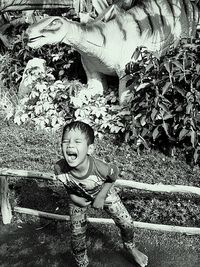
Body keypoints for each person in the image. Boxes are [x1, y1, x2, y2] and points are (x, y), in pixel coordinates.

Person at [54, 121, 148, 267]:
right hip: (77, 198)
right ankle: (82, 264)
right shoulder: (59, 168)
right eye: (65, 141)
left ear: (90, 148)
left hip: (103, 191)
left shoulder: (100, 168)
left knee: (127, 223)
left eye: (77, 141)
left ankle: (130, 247)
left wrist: (101, 196)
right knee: (76, 239)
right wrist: (73, 198)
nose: (70, 145)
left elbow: (114, 174)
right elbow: (67, 184)